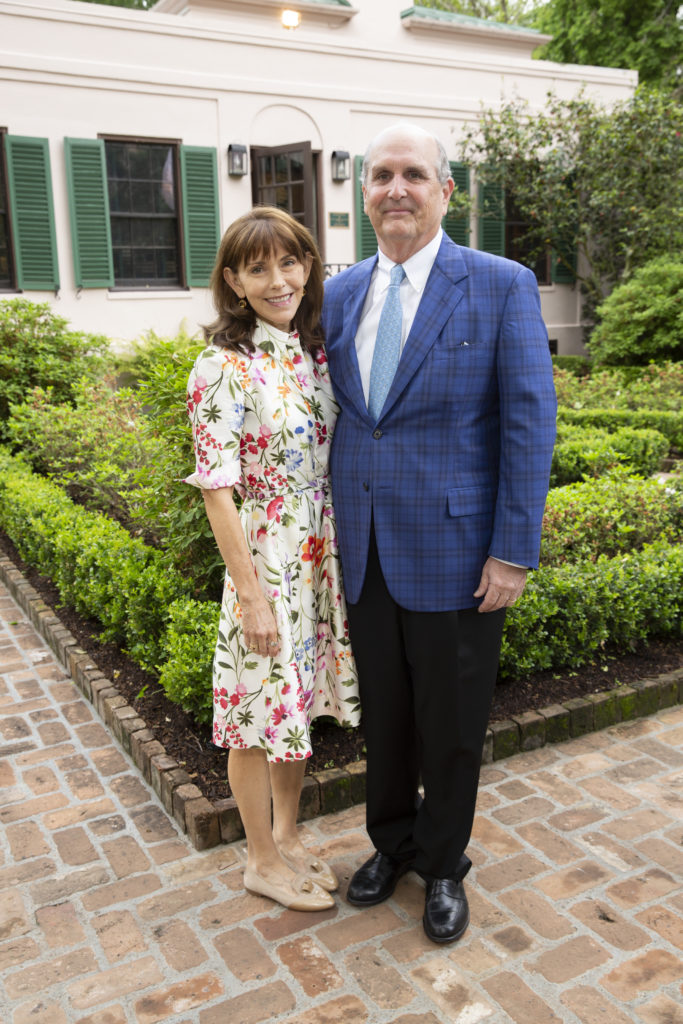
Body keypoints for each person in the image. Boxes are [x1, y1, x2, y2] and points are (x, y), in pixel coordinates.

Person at [322, 123, 557, 943]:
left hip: (460, 554)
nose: (395, 188)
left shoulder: (498, 284)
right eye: (380, 174)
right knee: (384, 713)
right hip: (366, 548)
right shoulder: (342, 291)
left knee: (453, 724)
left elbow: (529, 422)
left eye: (412, 175)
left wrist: (512, 549)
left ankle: (444, 865)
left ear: (445, 191)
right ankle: (391, 844)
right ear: (364, 192)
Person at [186, 206, 360, 912]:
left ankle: (288, 837)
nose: (277, 278)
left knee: (295, 702)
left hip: (316, 555)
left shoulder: (310, 352)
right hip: (264, 560)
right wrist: (250, 593)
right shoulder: (223, 365)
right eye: (257, 267)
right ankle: (259, 860)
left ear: (309, 265)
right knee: (257, 709)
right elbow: (216, 492)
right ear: (232, 281)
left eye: (288, 261)